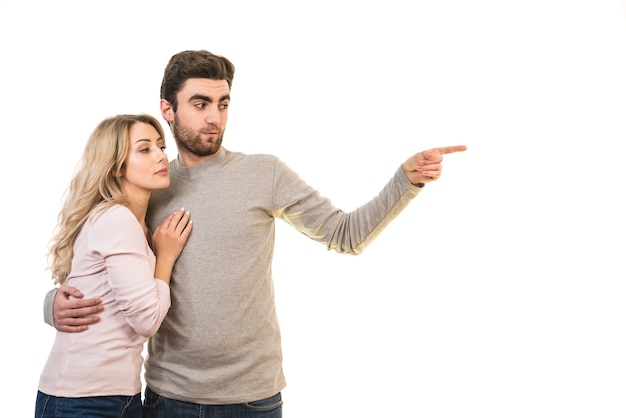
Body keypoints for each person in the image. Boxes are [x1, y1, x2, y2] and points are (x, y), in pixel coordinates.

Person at [44, 50, 467, 417]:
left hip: (253, 400)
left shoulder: (263, 173)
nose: (214, 118)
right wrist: (52, 305)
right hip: (166, 398)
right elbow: (96, 269)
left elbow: (346, 235)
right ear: (168, 109)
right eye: (200, 103)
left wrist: (405, 180)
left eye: (223, 104)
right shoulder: (148, 186)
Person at [36, 114, 193, 418]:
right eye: (145, 149)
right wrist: (166, 257)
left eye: (161, 146)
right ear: (117, 166)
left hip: (115, 396)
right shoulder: (116, 219)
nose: (162, 155)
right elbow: (146, 320)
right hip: (83, 401)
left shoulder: (135, 223)